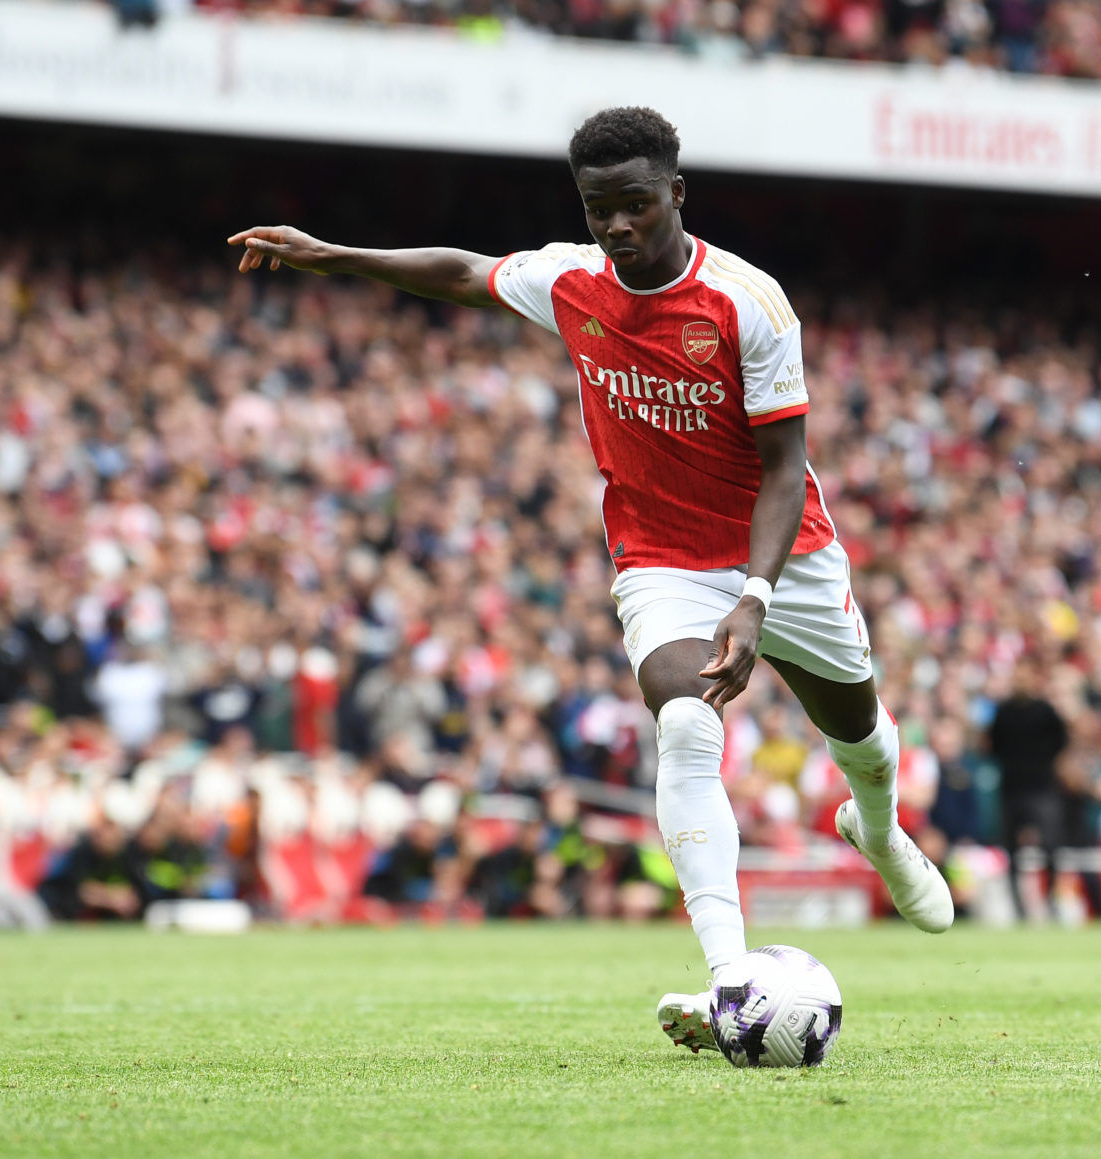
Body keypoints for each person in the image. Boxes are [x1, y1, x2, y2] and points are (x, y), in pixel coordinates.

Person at [228, 105, 952, 1054]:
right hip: (658, 558)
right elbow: (459, 270)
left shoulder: (748, 303)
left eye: (637, 205)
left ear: (675, 195)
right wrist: (334, 255)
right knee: (687, 723)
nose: (618, 226)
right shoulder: (573, 279)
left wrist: (758, 595)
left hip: (784, 555)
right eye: (599, 207)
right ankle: (732, 978)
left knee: (858, 731)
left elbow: (785, 469)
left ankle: (882, 832)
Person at [986, 653, 1070, 921]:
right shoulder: (1004, 712)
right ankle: (1019, 907)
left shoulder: (1046, 711)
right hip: (1013, 789)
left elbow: (1061, 742)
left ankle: (1051, 900)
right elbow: (994, 746)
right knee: (1011, 850)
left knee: (1051, 846)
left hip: (1041, 788)